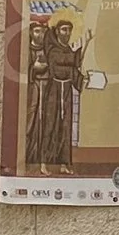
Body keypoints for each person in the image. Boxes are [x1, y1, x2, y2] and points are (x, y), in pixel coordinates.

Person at [22, 13, 88, 175]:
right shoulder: (51, 49)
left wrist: (86, 43)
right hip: (53, 90)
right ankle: (43, 163)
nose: (66, 33)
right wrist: (73, 72)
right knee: (49, 125)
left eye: (69, 30)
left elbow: (75, 63)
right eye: (64, 30)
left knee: (65, 126)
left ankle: (64, 164)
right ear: (57, 31)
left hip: (66, 92)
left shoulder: (67, 50)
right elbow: (59, 67)